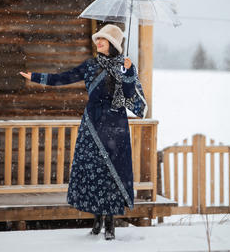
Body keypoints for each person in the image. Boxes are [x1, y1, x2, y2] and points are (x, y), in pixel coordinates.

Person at [20, 24, 148, 240]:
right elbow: (64, 77)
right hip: (92, 124)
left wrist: (128, 73)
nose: (98, 43)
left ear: (113, 45)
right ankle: (97, 219)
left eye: (103, 40)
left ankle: (110, 223)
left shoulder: (124, 66)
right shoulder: (90, 65)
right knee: (93, 171)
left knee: (111, 174)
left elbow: (128, 97)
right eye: (98, 39)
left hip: (115, 125)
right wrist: (36, 77)